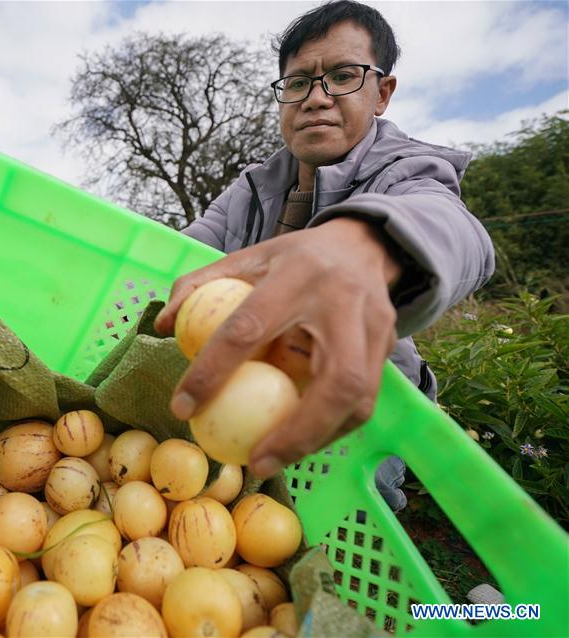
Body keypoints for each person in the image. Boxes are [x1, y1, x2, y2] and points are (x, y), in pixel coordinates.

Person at [153, 0, 495, 510]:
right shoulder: (250, 188)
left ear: (382, 93)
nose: (316, 98)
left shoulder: (406, 170)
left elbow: (457, 230)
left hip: (350, 420)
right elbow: (181, 253)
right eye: (298, 83)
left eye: (342, 76)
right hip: (239, 402)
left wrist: (370, 241)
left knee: (331, 520)